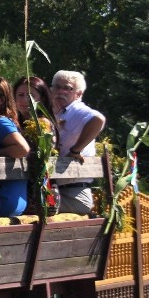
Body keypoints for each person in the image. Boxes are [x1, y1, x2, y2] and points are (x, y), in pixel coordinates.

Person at [50, 70, 106, 214]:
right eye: (56, 87)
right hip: (55, 187)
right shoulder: (53, 112)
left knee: (34, 206)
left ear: (79, 94)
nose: (60, 91)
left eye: (67, 88)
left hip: (74, 192)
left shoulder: (76, 110)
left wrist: (75, 150)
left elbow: (98, 120)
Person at [0, 76, 30, 216]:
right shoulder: (2, 122)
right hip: (14, 202)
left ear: (1, 100)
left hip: (5, 201)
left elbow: (23, 149)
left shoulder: (0, 123)